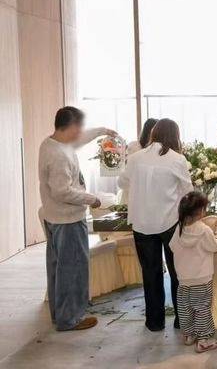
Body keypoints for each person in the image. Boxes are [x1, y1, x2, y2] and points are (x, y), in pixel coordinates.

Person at [39, 106, 116, 331]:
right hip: (68, 220)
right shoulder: (59, 155)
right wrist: (92, 199)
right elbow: (62, 191)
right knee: (72, 269)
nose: (81, 132)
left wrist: (102, 131)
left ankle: (61, 314)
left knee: (59, 268)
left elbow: (81, 139)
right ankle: (70, 318)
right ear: (71, 127)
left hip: (54, 217)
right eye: (79, 127)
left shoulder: (51, 143)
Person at [118, 118, 194, 331]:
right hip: (169, 222)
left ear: (154, 134)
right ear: (175, 136)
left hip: (141, 223)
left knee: (150, 273)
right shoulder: (177, 159)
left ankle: (154, 322)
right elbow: (188, 191)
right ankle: (181, 320)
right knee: (177, 272)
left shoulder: (135, 158)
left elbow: (121, 182)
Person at [169, 191, 217, 353]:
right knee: (202, 309)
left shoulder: (179, 228)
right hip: (201, 279)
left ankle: (188, 335)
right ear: (201, 211)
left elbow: (172, 247)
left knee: (185, 308)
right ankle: (204, 341)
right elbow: (215, 246)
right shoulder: (204, 230)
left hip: (183, 279)